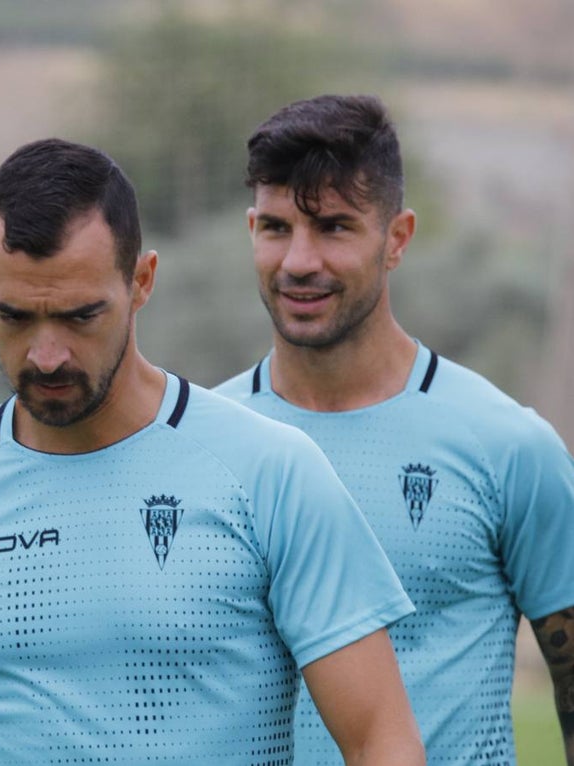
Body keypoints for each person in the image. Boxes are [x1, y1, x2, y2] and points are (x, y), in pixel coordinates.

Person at [0, 137, 425, 765]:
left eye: (80, 316)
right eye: (14, 317)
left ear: (142, 281)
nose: (46, 355)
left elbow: (381, 741)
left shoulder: (271, 473)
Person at [215, 94, 574, 765]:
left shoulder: (507, 447)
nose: (298, 260)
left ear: (398, 238)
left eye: (333, 227)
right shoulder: (203, 447)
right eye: (275, 227)